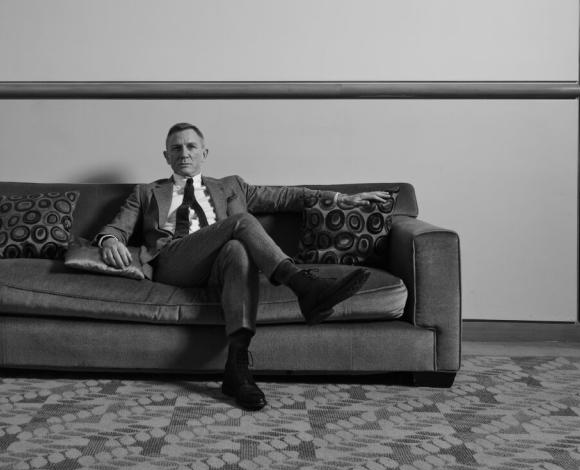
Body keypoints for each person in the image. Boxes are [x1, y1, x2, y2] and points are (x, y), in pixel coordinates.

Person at [95, 122, 392, 411]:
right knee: (242, 222)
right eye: (176, 148)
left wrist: (343, 199)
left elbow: (287, 197)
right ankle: (303, 286)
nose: (184, 153)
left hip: (220, 267)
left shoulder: (231, 186)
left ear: (204, 153)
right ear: (166, 156)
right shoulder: (147, 192)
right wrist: (109, 241)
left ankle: (237, 369)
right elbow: (116, 227)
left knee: (238, 249)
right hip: (175, 262)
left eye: (191, 146)